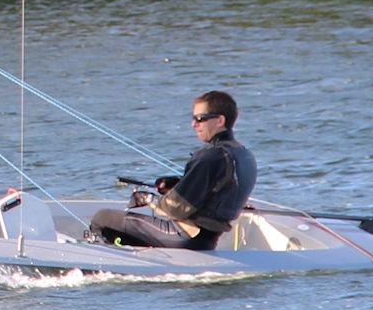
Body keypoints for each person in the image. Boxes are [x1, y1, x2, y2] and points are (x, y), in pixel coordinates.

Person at [89, 90, 257, 250]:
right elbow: (218, 191)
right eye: (193, 118)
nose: (194, 124)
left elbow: (175, 208)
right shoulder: (244, 154)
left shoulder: (210, 157)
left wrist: (147, 198)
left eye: (200, 118)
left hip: (185, 236)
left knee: (102, 218)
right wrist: (178, 185)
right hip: (208, 240)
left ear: (220, 120)